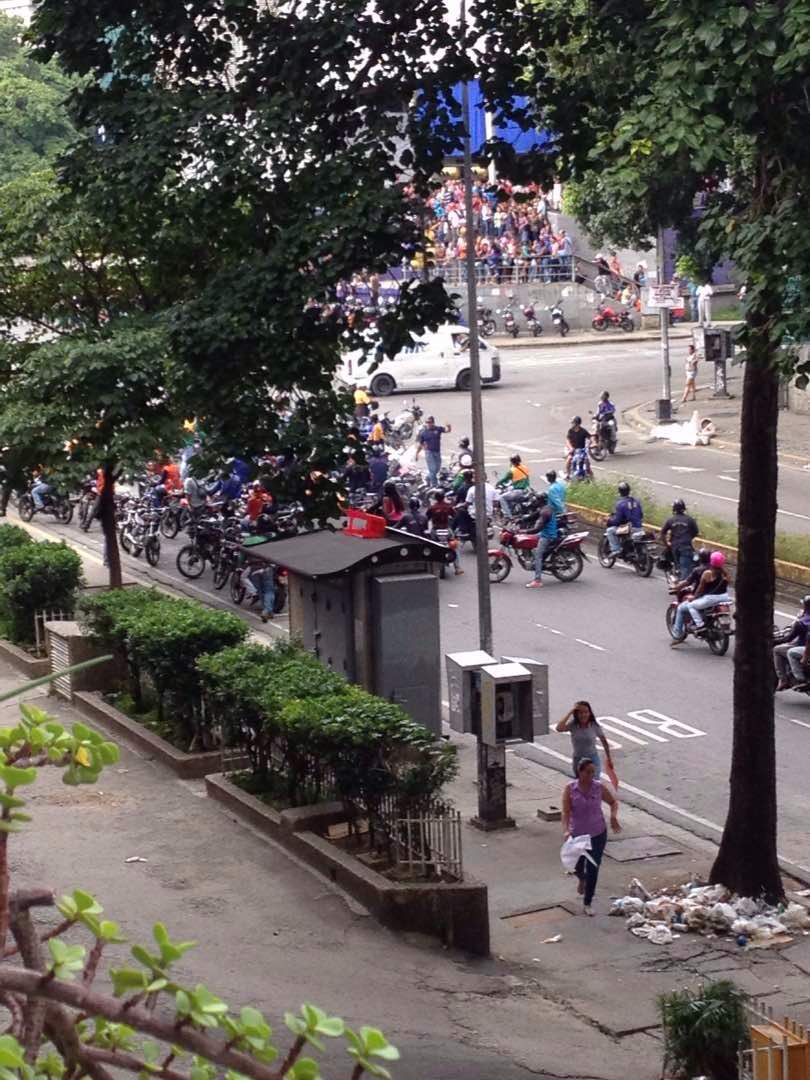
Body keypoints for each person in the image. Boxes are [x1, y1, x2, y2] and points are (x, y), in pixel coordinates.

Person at [561, 758, 621, 915]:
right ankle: (582, 878)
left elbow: (613, 802)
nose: (590, 775)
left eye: (593, 772)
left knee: (594, 866)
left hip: (597, 833)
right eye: (587, 772)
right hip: (578, 834)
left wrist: (613, 817)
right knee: (575, 865)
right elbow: (566, 812)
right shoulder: (570, 789)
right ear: (580, 772)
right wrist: (566, 830)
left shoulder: (598, 787)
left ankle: (588, 901)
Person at [671, 551, 732, 645]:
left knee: (689, 606)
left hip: (710, 599)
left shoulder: (706, 573)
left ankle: (699, 625)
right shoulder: (726, 573)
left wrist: (694, 597)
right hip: (724, 598)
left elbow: (700, 587)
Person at [556, 700, 613, 780]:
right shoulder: (573, 725)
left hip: (592, 759)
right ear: (576, 714)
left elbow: (604, 742)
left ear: (589, 713)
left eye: (586, 712)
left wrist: (609, 758)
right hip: (578, 759)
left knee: (594, 783)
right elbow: (559, 728)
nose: (583, 715)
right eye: (580, 712)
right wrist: (570, 712)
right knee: (581, 784)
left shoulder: (594, 726)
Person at [774, 595, 810, 691]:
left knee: (777, 650)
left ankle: (785, 680)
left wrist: (774, 641)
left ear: (806, 607)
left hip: (803, 646)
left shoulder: (801, 622)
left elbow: (788, 638)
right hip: (804, 645)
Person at [660, 499, 699, 580]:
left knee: (679, 567)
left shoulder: (670, 520)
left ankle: (678, 582)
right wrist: (688, 538)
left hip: (675, 547)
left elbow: (662, 533)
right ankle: (682, 586)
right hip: (686, 547)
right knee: (685, 568)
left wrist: (667, 544)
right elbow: (695, 532)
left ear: (674, 509)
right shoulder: (690, 520)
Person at [525, 491, 556, 589]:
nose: (535, 502)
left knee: (538, 556)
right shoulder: (546, 508)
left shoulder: (545, 512)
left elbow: (537, 529)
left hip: (547, 536)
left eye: (537, 500)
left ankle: (537, 580)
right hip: (544, 533)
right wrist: (521, 520)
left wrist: (524, 531)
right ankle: (531, 555)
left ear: (540, 501)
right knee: (530, 541)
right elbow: (533, 515)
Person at [605, 481, 643, 556]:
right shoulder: (637, 501)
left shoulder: (620, 504)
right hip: (639, 527)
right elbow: (641, 515)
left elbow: (617, 521)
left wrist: (609, 521)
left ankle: (616, 550)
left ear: (619, 492)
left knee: (610, 531)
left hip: (629, 528)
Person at [417, 416, 452, 486]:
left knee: (437, 469)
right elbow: (420, 444)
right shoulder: (423, 432)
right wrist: (417, 454)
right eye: (427, 422)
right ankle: (434, 485)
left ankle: (428, 477)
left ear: (433, 423)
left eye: (430, 422)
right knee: (432, 469)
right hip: (429, 453)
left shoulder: (438, 429)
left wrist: (449, 426)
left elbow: (448, 430)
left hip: (437, 452)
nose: (428, 424)